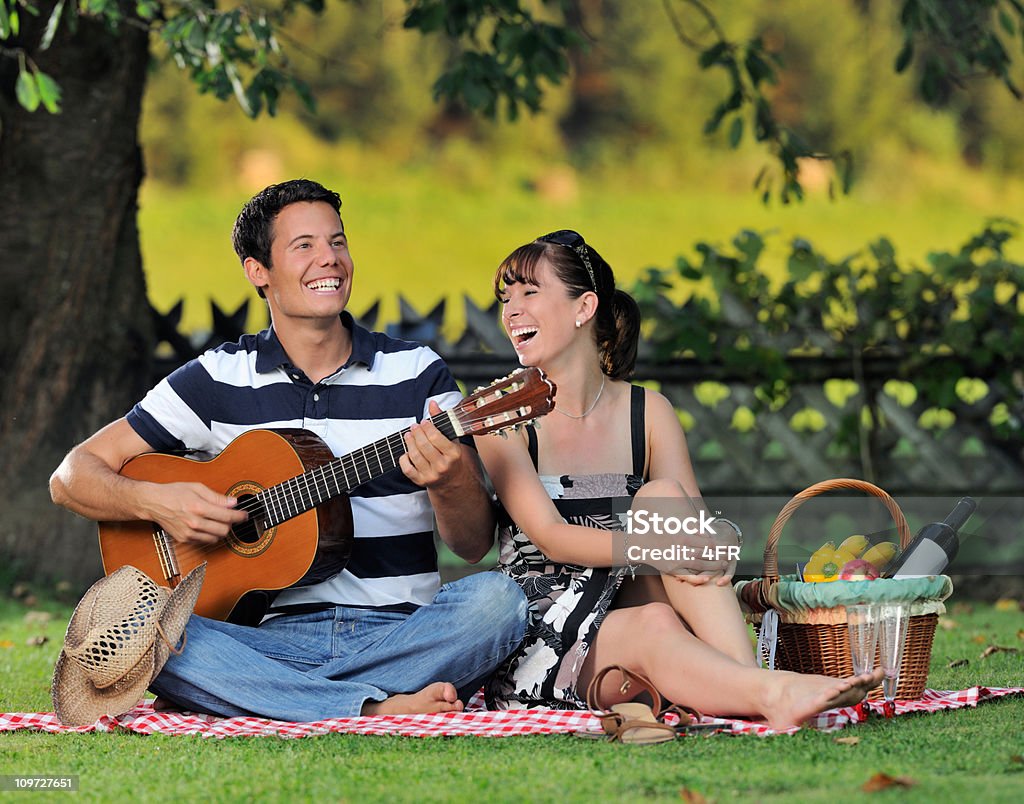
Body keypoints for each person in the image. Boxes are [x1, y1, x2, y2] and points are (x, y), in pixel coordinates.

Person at [49, 179, 527, 721]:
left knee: (499, 602)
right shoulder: (218, 378)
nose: (330, 259)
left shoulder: (418, 373)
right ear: (259, 271)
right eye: (305, 246)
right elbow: (70, 476)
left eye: (338, 242)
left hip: (403, 631)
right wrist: (157, 503)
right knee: (127, 633)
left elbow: (470, 545)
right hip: (271, 641)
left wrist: (449, 481)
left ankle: (279, 697)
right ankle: (371, 707)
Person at [476, 230, 882, 731]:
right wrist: (658, 548)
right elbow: (551, 538)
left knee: (663, 498)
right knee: (656, 622)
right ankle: (767, 691)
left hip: (634, 595)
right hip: (546, 625)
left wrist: (720, 541)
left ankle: (747, 682)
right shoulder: (499, 416)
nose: (511, 311)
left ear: (584, 307)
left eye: (528, 292)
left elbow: (696, 531)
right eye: (506, 298)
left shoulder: (649, 412)